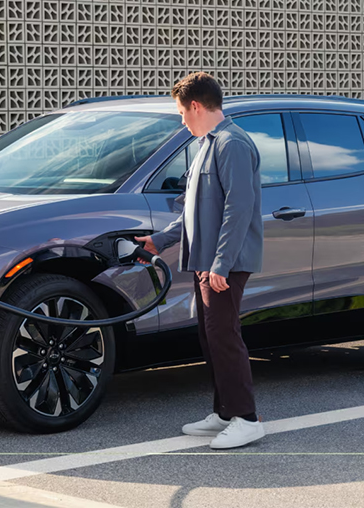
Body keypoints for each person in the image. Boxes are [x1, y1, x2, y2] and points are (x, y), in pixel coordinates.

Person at [135, 72, 265, 449]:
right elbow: (193, 210)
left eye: (181, 113)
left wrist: (222, 263)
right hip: (206, 260)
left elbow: (238, 209)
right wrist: (160, 240)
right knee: (210, 336)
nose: (182, 121)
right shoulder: (206, 145)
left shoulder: (232, 144)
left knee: (224, 336)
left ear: (195, 106)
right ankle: (225, 411)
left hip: (224, 263)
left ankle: (247, 419)